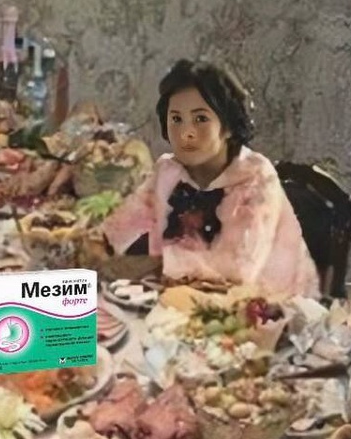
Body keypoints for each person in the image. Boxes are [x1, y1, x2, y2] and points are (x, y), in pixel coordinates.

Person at [104, 59, 320, 299]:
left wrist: (155, 263)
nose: (186, 133)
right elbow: (121, 226)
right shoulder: (168, 170)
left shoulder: (256, 176)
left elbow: (238, 269)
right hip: (179, 299)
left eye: (200, 119)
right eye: (176, 119)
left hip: (264, 307)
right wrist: (100, 244)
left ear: (227, 127)